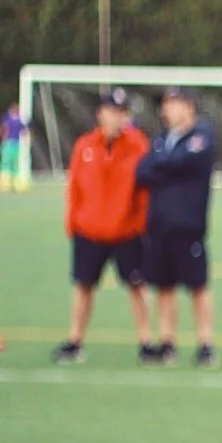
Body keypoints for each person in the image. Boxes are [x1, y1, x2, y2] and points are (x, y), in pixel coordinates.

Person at [53, 87, 155, 365]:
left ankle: (146, 341)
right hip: (90, 231)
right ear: (100, 114)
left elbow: (145, 191)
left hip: (126, 232)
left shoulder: (137, 145)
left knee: (137, 286)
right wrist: (73, 223)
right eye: (112, 111)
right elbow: (74, 188)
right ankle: (75, 340)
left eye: (122, 112)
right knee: (83, 287)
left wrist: (141, 225)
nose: (117, 118)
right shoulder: (85, 146)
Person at [134, 87, 216, 368]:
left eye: (173, 103)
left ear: (188, 106)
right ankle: (167, 342)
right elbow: (142, 172)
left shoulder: (201, 137)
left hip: (188, 225)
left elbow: (181, 161)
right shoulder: (161, 140)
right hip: (159, 225)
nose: (167, 109)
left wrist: (163, 166)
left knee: (197, 286)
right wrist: (164, 166)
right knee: (163, 286)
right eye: (166, 104)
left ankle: (205, 343)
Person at [1, 103, 26, 192]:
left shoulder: (14, 120)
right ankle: (8, 183)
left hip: (13, 143)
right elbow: (4, 129)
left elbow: (23, 130)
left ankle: (11, 183)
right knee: (9, 163)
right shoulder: (10, 119)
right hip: (11, 143)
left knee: (11, 163)